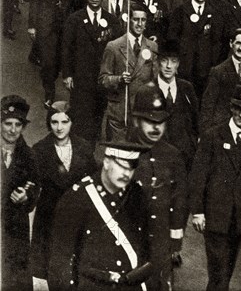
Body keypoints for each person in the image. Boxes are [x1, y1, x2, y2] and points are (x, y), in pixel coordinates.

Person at [190, 84, 241, 291]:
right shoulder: (213, 136)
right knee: (219, 274)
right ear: (231, 108)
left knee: (226, 272)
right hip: (215, 216)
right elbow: (198, 177)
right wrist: (197, 211)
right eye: (237, 109)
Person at [48, 141, 152, 291]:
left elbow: (146, 247)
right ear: (107, 161)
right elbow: (60, 261)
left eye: (131, 168)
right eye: (122, 166)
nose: (126, 174)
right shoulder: (76, 199)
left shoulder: (136, 194)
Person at [128, 83, 188, 291]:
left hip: (161, 241)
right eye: (149, 121)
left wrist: (175, 242)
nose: (156, 128)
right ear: (136, 120)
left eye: (161, 122)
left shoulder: (173, 155)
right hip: (130, 238)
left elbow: (179, 199)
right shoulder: (123, 152)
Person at [31, 101, 97, 280]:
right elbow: (32, 185)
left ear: (72, 123)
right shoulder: (39, 150)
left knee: (79, 268)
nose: (59, 127)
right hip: (49, 216)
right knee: (53, 269)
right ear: (48, 123)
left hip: (78, 215)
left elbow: (94, 181)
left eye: (65, 122)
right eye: (54, 122)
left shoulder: (84, 147)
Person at [61, 0, 120, 143]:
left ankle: (91, 150)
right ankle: (79, 152)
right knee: (80, 116)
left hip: (102, 77)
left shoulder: (111, 20)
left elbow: (118, 48)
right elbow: (66, 48)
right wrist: (67, 74)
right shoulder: (75, 19)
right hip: (81, 76)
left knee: (97, 114)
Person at [99, 2, 158, 141]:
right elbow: (103, 79)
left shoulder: (152, 46)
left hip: (141, 112)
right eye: (135, 19)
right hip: (119, 112)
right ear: (128, 21)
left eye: (143, 20)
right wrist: (118, 79)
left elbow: (155, 80)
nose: (139, 24)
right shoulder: (114, 46)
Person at [28, 0, 77, 105]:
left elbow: (75, 1)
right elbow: (34, 1)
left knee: (65, 60)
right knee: (48, 63)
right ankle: (49, 94)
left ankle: (72, 96)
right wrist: (32, 26)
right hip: (46, 26)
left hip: (66, 26)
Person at [1, 95, 39, 291]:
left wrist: (26, 197)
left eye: (18, 124)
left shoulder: (30, 156)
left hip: (16, 228)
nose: (13, 130)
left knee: (16, 277)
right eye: (8, 123)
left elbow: (35, 188)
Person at [201, 28, 241, 134]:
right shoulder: (218, 71)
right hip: (223, 128)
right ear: (231, 44)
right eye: (238, 43)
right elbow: (208, 104)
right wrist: (206, 133)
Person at [167, 0, 217, 97]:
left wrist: (212, 64)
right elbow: (172, 39)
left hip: (204, 69)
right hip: (185, 67)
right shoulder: (181, 11)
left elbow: (216, 42)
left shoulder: (213, 12)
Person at [154, 40, 199, 172]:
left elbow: (196, 122)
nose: (168, 66)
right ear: (158, 62)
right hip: (159, 160)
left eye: (173, 61)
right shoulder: (147, 90)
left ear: (178, 64)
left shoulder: (187, 88)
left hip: (184, 158)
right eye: (164, 61)